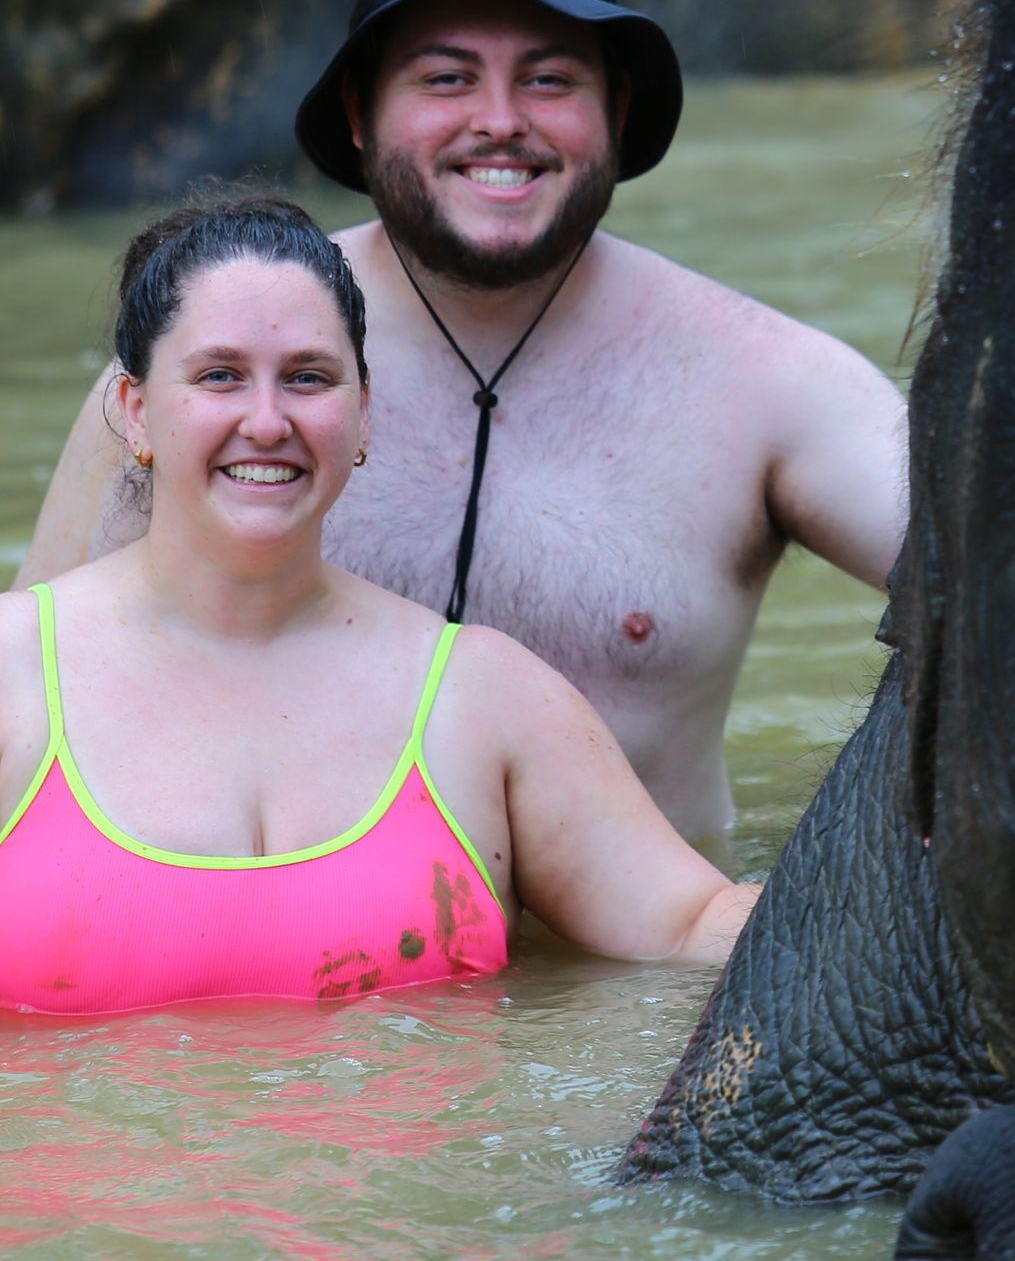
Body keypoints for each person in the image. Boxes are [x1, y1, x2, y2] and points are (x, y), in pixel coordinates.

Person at [21, 0, 908, 845]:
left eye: (550, 80)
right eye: (446, 79)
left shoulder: (766, 383)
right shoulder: (202, 371)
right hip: (284, 982)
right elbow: (32, 699)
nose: (499, 121)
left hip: (634, 981)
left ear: (616, 107)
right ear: (360, 112)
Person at [0, 196, 756, 1014]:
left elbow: (691, 925)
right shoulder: (11, 676)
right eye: (219, 375)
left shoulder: (483, 697)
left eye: (308, 378)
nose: (266, 420)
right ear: (136, 410)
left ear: (363, 412)